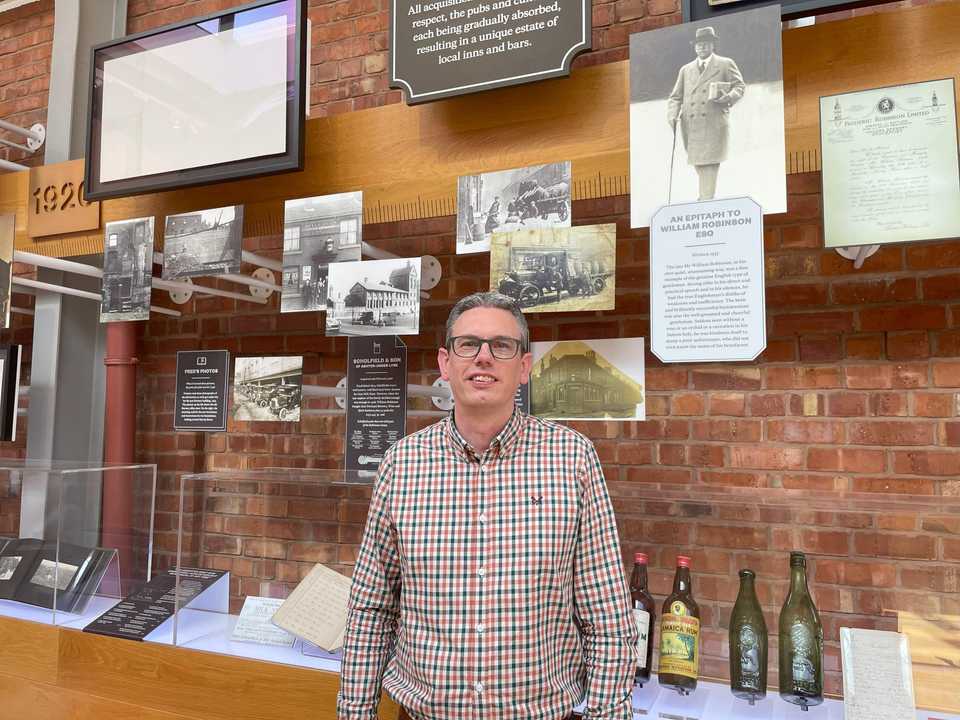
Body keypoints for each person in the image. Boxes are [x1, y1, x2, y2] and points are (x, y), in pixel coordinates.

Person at [337, 291, 637, 720]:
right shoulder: (401, 464)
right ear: (445, 363)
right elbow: (371, 609)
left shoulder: (572, 458)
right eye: (468, 344)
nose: (483, 357)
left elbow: (606, 615)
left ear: (525, 367)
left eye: (501, 345)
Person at [666, 26, 745, 201]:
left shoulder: (725, 64)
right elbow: (675, 97)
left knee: (710, 163)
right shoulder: (685, 69)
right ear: (695, 47)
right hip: (691, 125)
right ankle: (706, 197)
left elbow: (739, 87)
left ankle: (705, 199)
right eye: (698, 44)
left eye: (706, 43)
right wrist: (672, 114)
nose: (701, 47)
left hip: (714, 123)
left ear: (712, 45)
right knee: (700, 163)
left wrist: (728, 97)